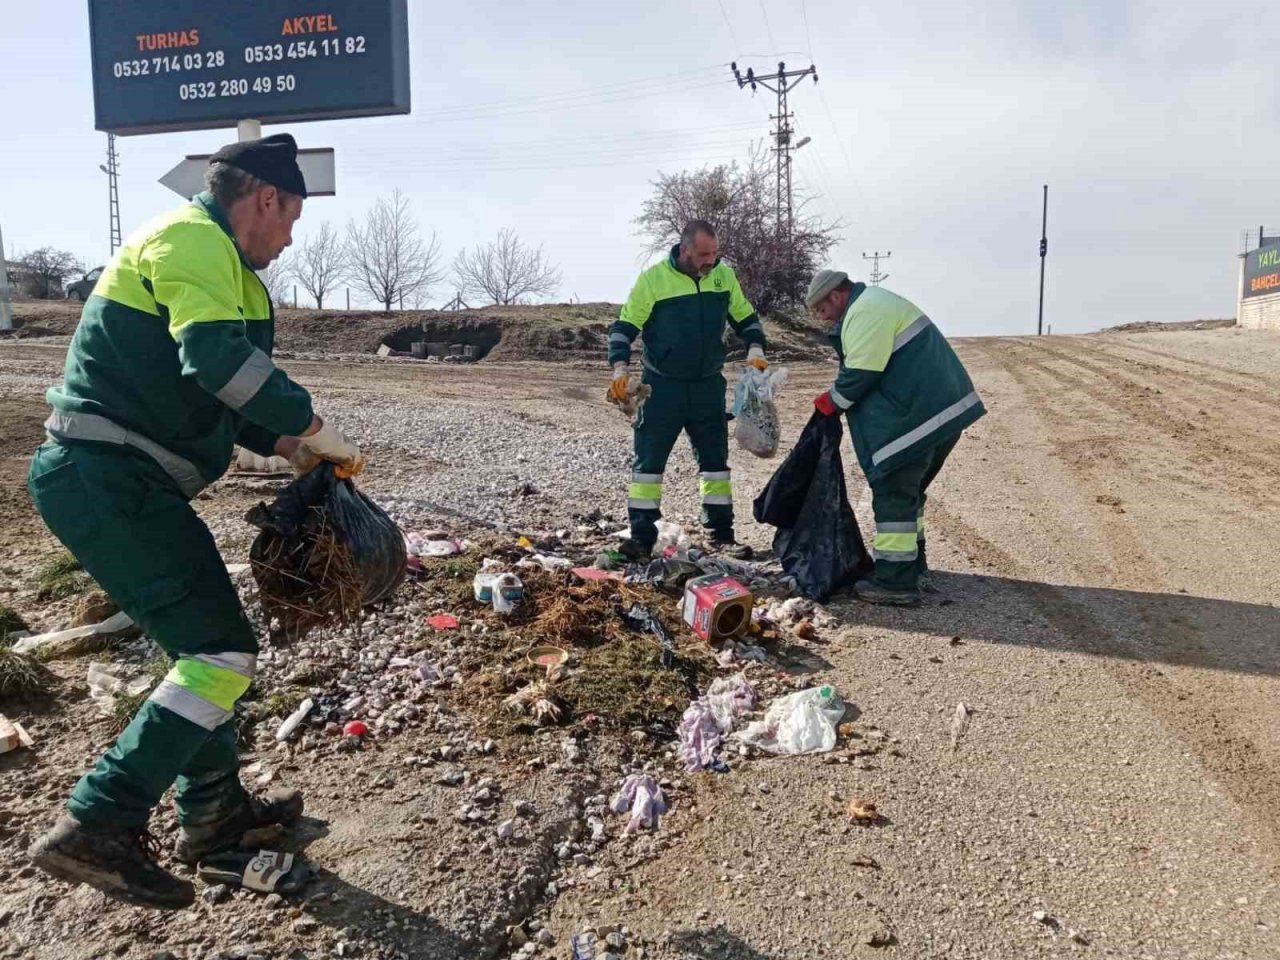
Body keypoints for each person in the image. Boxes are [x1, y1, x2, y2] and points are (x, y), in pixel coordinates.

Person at [26, 134, 362, 909]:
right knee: (220, 652)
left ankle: (213, 816)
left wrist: (288, 446)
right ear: (266, 198)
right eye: (293, 218)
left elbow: (214, 393)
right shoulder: (191, 240)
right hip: (103, 477)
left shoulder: (222, 266)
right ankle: (98, 819)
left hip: (119, 480)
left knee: (204, 653)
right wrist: (312, 425)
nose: (291, 238)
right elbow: (219, 364)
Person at [807, 269, 985, 605]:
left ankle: (895, 582)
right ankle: (912, 565)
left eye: (822, 309)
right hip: (941, 412)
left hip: (916, 416)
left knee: (893, 490)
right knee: (908, 493)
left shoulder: (864, 311)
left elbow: (861, 373)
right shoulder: (876, 303)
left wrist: (831, 403)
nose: (822, 317)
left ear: (836, 295)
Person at [608, 220, 767, 560]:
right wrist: (619, 368)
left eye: (715, 253)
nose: (712, 261)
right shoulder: (654, 280)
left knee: (715, 465)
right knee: (648, 465)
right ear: (685, 250)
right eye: (704, 255)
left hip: (708, 385)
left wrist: (756, 347)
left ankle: (721, 535)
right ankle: (642, 537)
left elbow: (746, 318)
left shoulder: (723, 276)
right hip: (661, 387)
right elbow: (624, 327)